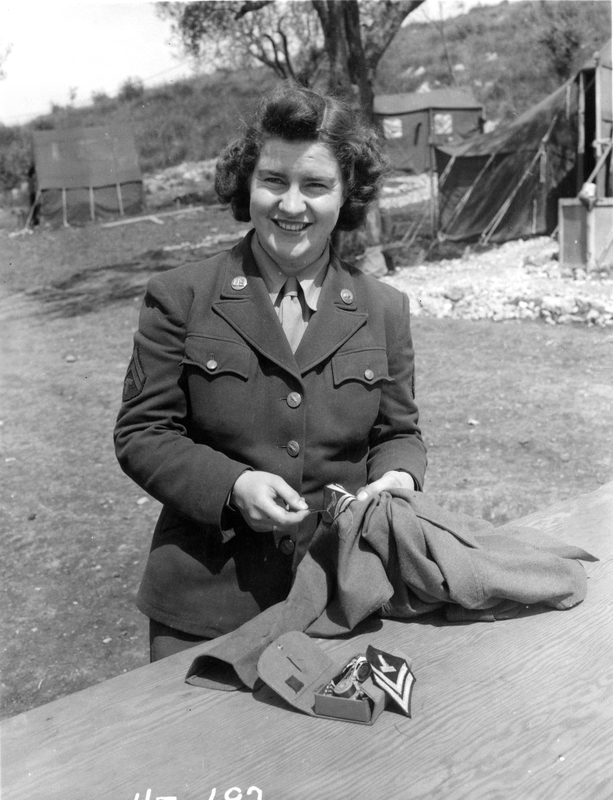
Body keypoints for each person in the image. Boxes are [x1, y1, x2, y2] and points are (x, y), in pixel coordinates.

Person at [114, 81, 427, 662]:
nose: (290, 205)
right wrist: (232, 486)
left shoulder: (385, 309)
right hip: (205, 610)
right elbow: (142, 434)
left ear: (346, 196)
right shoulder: (179, 296)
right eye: (274, 181)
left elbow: (399, 435)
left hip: (340, 601)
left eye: (315, 185)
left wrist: (400, 480)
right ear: (247, 184)